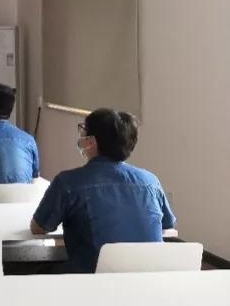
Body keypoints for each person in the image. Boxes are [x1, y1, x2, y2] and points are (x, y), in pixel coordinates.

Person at [31, 109, 176, 273]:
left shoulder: (68, 183)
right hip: (148, 278)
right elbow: (168, 225)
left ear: (91, 141)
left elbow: (39, 228)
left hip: (90, 280)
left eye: (83, 131)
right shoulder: (151, 182)